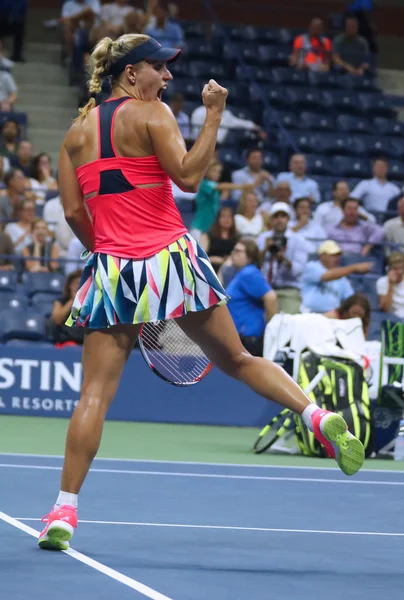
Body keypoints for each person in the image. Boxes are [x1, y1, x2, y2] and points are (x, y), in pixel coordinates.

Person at [38, 33, 365, 552]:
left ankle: (63, 512)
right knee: (237, 358)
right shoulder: (152, 114)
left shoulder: (75, 134)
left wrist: (109, 254)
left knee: (94, 396)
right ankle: (318, 417)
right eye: (159, 68)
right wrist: (214, 114)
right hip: (171, 261)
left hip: (113, 268)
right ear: (131, 74)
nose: (167, 78)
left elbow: (76, 213)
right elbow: (189, 176)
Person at [226, 239, 277, 356]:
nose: (233, 253)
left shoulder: (248, 273)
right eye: (233, 250)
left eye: (238, 251)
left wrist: (271, 330)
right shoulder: (239, 273)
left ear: (249, 256)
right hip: (242, 337)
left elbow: (271, 297)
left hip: (249, 339)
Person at [257, 202, 309, 314]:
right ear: (271, 219)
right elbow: (254, 264)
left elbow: (299, 269)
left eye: (283, 216)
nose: (279, 220)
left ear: (288, 219)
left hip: (288, 289)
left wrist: (283, 259)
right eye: (276, 216)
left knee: (289, 323)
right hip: (264, 289)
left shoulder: (298, 240)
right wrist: (266, 249)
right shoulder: (263, 238)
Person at [300, 240, 371, 313]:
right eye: (333, 255)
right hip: (308, 313)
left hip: (331, 316)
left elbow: (350, 298)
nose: (337, 258)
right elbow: (326, 276)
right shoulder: (311, 266)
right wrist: (354, 268)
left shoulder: (342, 276)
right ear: (322, 256)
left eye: (338, 255)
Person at [189, 161, 254, 241]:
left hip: (210, 229)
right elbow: (219, 186)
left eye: (219, 172)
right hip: (198, 229)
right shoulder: (204, 184)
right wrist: (241, 186)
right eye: (214, 171)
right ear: (206, 172)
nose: (217, 174)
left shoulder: (215, 190)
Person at [50, 269, 85, 347]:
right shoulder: (60, 302)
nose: (78, 286)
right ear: (69, 285)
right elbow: (57, 320)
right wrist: (73, 300)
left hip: (85, 344)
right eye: (75, 283)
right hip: (66, 342)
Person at [199, 207, 238, 273]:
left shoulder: (237, 237)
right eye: (223, 216)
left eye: (229, 216)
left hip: (231, 269)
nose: (227, 219)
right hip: (211, 268)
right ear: (218, 219)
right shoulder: (207, 236)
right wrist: (218, 260)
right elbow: (201, 257)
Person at [377, 251, 404, 319]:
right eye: (395, 269)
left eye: (400, 268)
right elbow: (386, 309)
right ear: (389, 269)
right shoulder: (381, 282)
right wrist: (391, 284)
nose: (398, 272)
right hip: (391, 318)